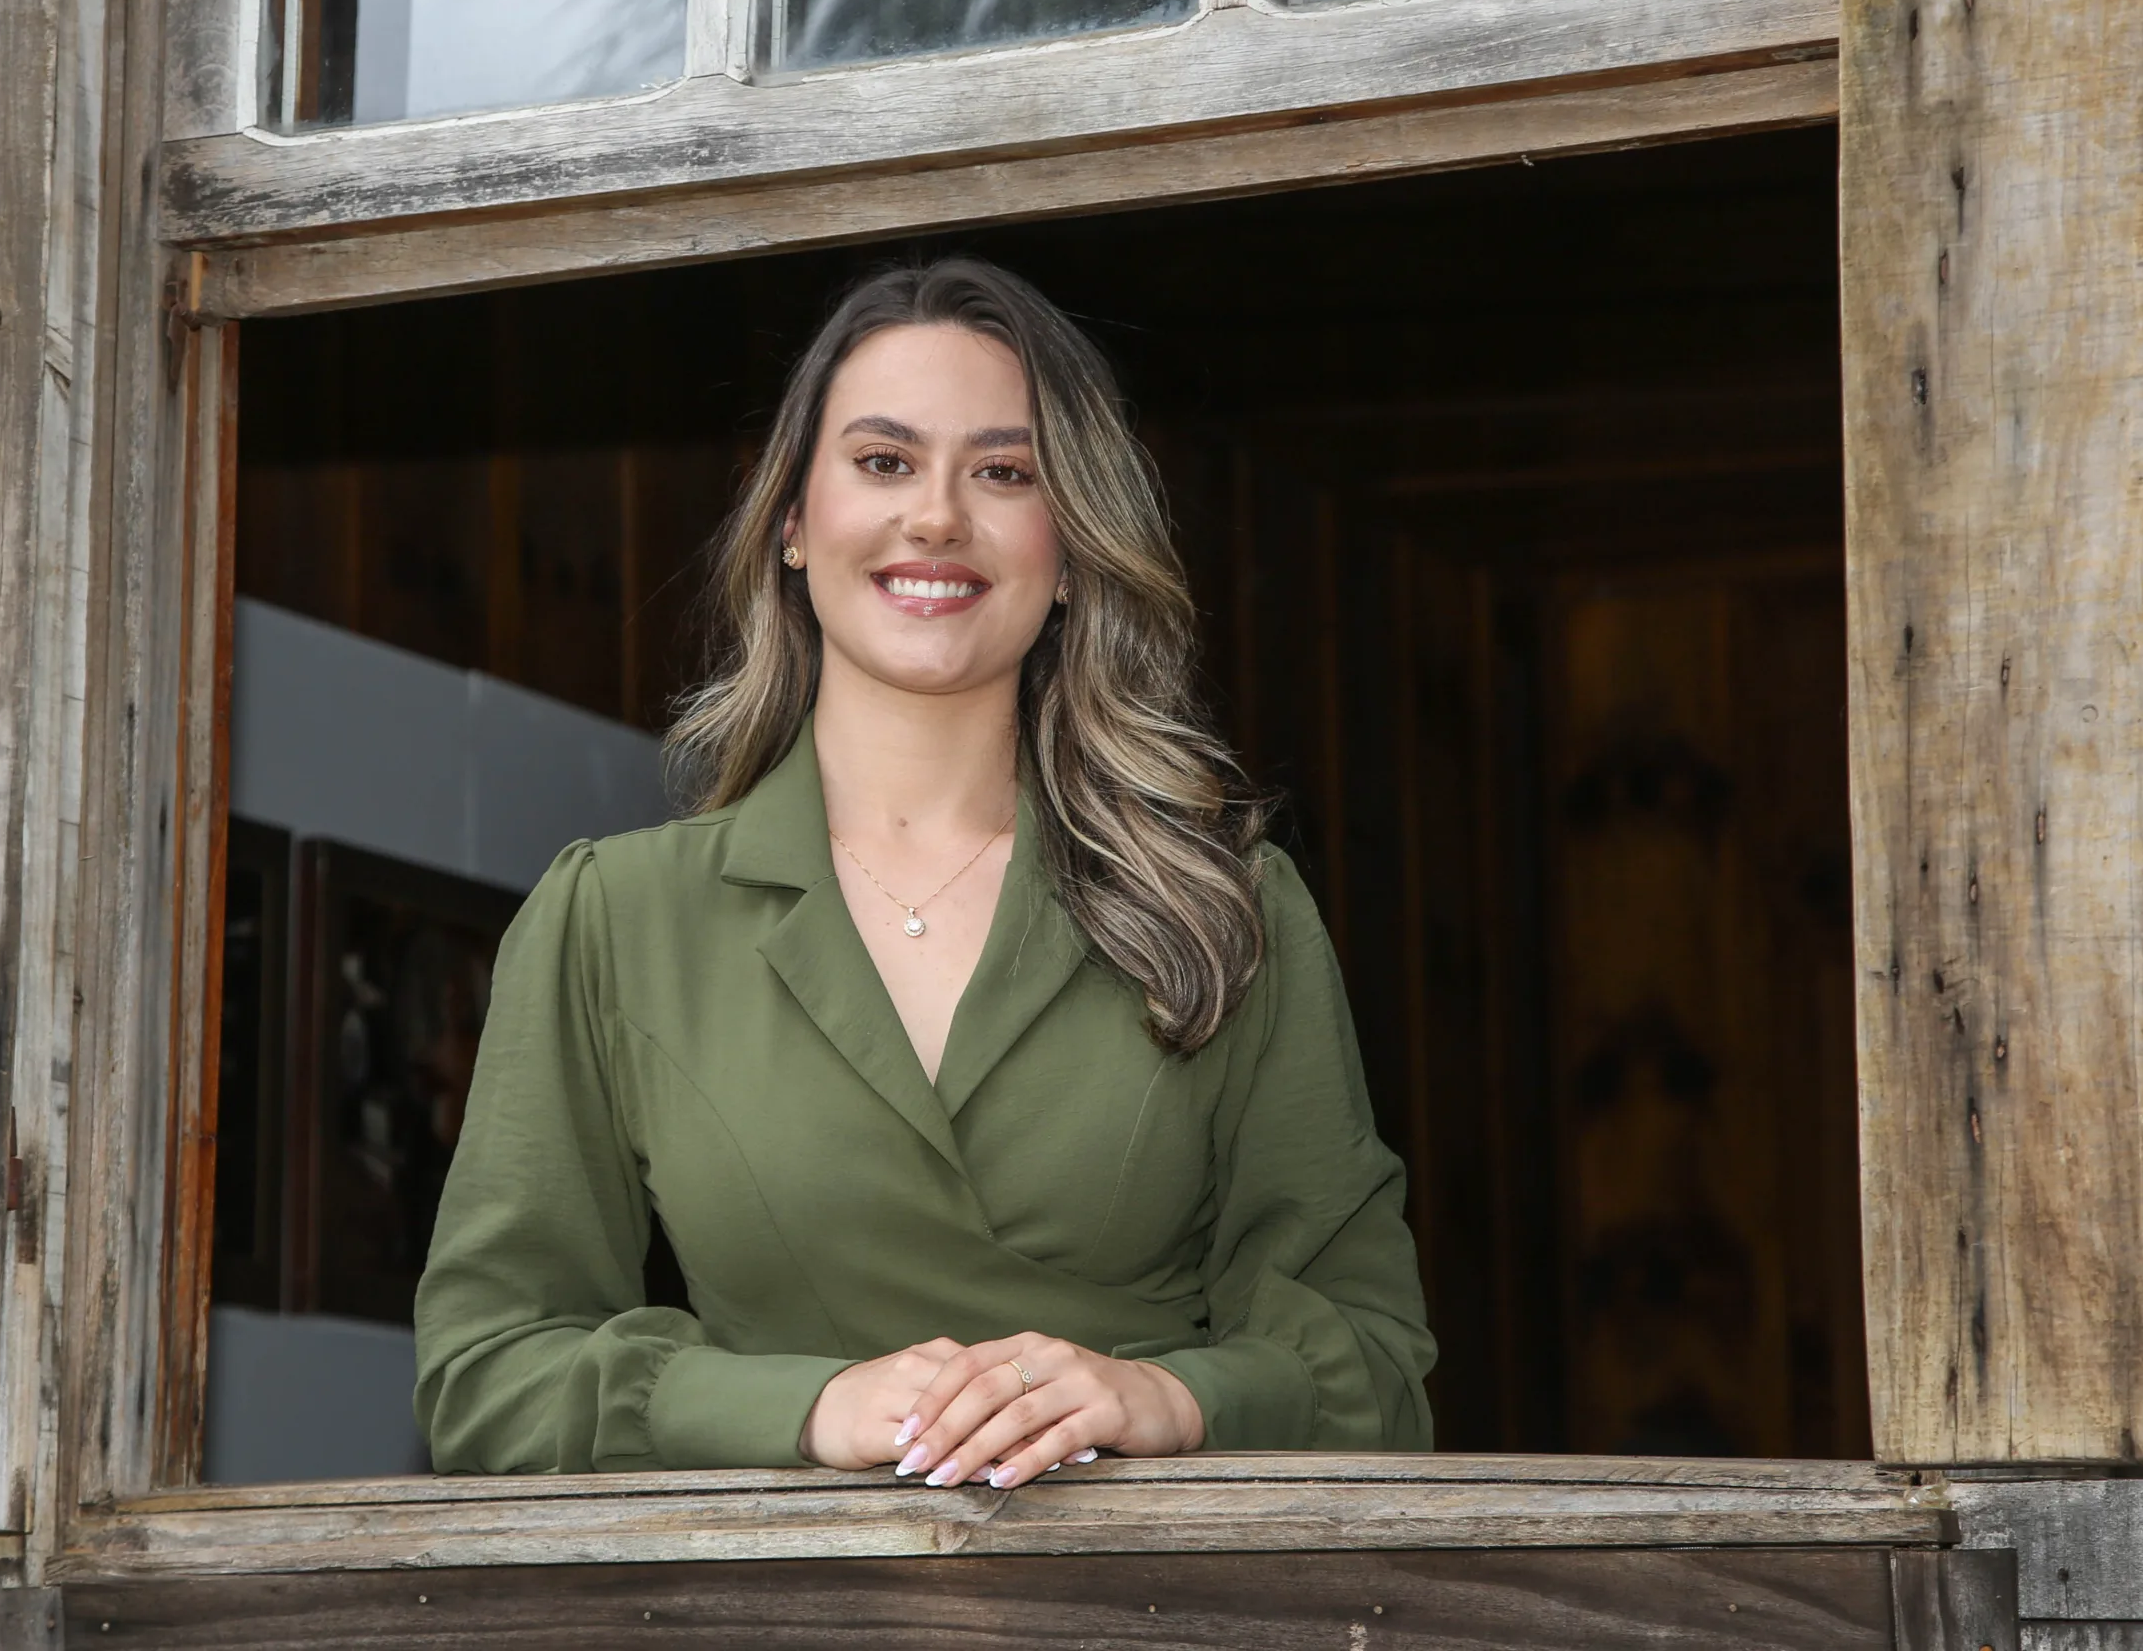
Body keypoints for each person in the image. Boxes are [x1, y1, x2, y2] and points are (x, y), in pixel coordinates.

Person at [413, 258, 1434, 1482]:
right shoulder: (613, 919)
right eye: (884, 461)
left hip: (1150, 1576)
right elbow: (487, 1373)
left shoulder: (1228, 905)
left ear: (1072, 550)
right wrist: (806, 1407)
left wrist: (1165, 1396)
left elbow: (1375, 1366)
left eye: (1003, 473)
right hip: (762, 1586)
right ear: (792, 523)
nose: (938, 517)